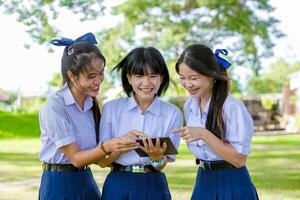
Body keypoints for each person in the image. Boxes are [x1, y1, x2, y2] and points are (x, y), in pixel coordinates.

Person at [38, 32, 142, 200]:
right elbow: (77, 159)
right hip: (59, 184)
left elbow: (100, 161)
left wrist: (121, 145)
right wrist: (108, 146)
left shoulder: (91, 104)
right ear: (71, 76)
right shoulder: (55, 106)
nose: (98, 80)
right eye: (91, 76)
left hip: (86, 180)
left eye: (101, 73)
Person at [172, 44, 259, 200]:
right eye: (182, 78)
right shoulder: (189, 105)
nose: (187, 84)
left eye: (193, 78)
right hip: (203, 180)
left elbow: (239, 160)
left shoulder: (231, 107)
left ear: (211, 76)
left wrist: (204, 134)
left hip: (232, 181)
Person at [98, 47, 183, 200]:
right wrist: (119, 148)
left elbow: (162, 164)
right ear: (129, 78)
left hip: (154, 184)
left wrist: (156, 158)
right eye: (139, 76)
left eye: (153, 75)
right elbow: (103, 161)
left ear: (162, 78)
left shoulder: (173, 113)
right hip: (118, 183)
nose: (146, 82)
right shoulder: (111, 109)